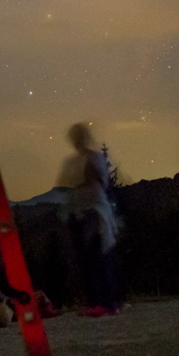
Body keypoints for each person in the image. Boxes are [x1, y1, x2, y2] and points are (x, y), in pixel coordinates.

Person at [57, 122, 119, 316]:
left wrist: (85, 178)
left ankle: (107, 302)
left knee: (95, 255)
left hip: (95, 210)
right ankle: (92, 302)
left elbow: (102, 182)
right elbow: (62, 184)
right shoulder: (71, 162)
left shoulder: (95, 158)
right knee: (82, 259)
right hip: (76, 212)